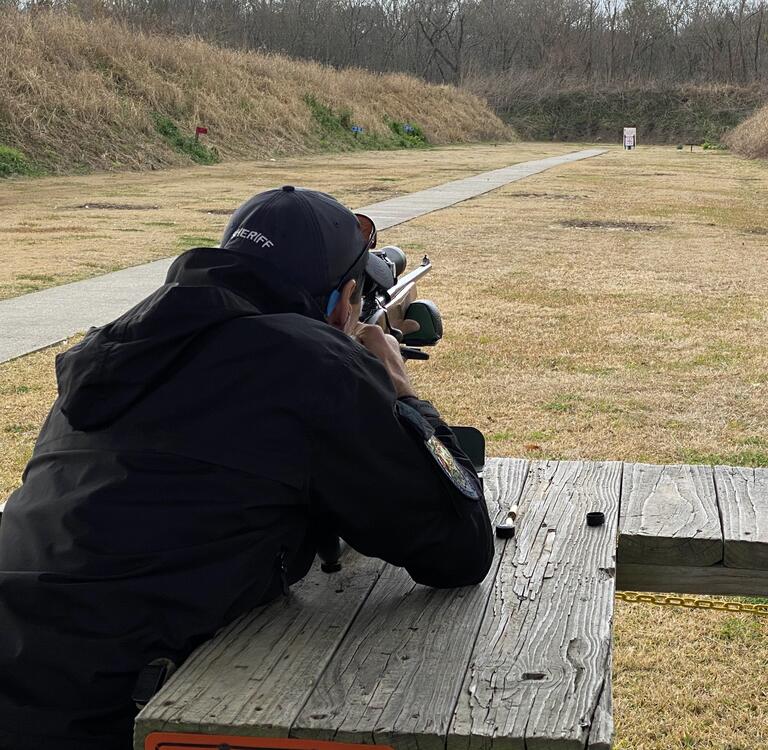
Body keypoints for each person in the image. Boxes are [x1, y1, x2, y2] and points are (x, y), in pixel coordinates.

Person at [0, 186, 494, 750]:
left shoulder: (116, 347)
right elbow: (459, 548)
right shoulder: (314, 361)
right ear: (346, 300)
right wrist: (399, 393)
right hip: (113, 717)